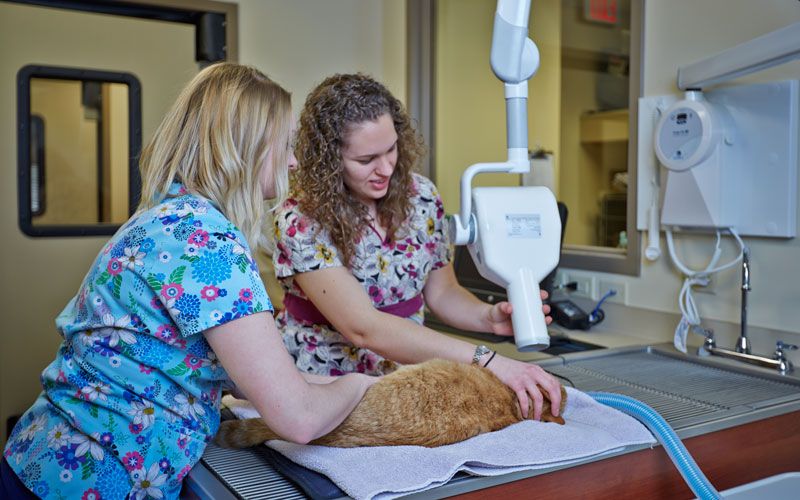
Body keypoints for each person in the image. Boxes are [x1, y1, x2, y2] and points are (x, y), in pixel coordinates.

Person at [1, 63, 376, 500]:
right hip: (91, 480)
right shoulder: (206, 242)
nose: (293, 161)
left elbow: (244, 376)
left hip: (42, 459)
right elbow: (299, 418)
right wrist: (359, 384)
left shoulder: (168, 217)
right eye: (287, 144)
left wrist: (331, 385)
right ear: (245, 145)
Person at [273, 73, 562, 422]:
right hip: (322, 382)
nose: (386, 169)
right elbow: (362, 327)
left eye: (391, 149)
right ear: (329, 159)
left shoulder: (421, 196)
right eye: (366, 160)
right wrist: (487, 360)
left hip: (407, 377)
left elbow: (442, 293)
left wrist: (487, 318)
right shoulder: (302, 217)